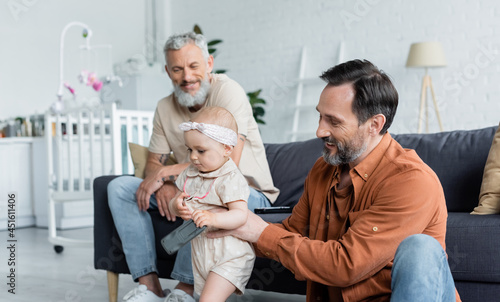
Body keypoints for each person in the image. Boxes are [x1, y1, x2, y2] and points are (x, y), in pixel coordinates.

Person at [210, 59, 461, 301]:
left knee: (421, 248)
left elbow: (346, 265)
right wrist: (230, 226)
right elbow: (291, 233)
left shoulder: (411, 181)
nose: (319, 131)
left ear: (375, 124)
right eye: (320, 116)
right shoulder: (323, 169)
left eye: (334, 121)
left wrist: (260, 230)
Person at [107, 32, 279, 302]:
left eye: (193, 66)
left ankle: (185, 290)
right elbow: (154, 161)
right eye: (177, 69)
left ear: (209, 64)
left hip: (245, 194)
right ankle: (149, 286)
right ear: (168, 72)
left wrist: (166, 174)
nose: (186, 76)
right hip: (192, 184)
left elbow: (228, 161)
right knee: (119, 187)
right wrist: (164, 185)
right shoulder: (165, 107)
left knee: (202, 196)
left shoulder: (227, 91)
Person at [169, 106, 255, 301]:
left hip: (230, 256)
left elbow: (240, 215)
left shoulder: (230, 178)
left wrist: (213, 217)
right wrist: (175, 206)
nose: (192, 157)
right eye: (189, 149)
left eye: (201, 150)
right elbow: (174, 200)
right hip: (203, 255)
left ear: (226, 149)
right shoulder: (190, 173)